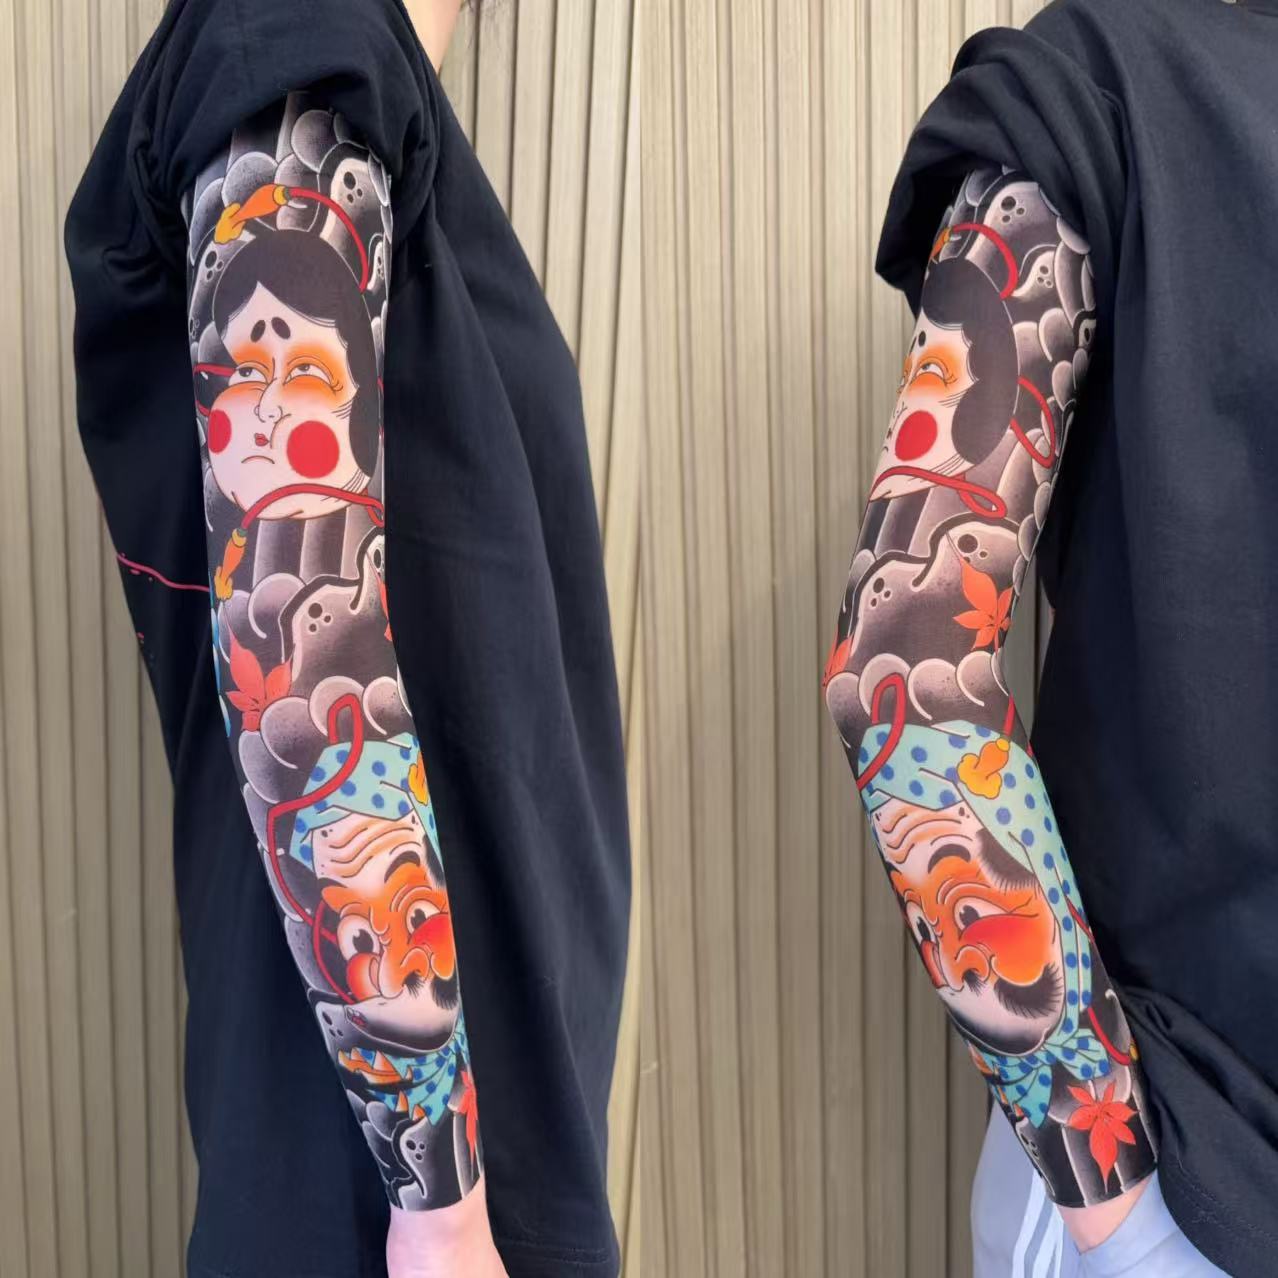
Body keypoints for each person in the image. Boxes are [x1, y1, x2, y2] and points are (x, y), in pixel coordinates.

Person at [63, 2, 631, 1276]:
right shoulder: (297, 57)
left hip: (437, 1155)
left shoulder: (344, 92)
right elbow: (300, 657)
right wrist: (440, 1209)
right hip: (391, 1197)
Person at [824, 0, 1278, 1273]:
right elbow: (908, 674)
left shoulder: (1112, 84)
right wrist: (1125, 1225)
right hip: (1192, 1170)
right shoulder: (1111, 94)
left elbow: (903, 670)